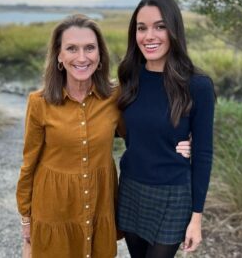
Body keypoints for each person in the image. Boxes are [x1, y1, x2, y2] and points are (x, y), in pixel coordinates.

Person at [16, 14, 191, 258]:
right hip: (54, 208)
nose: (82, 57)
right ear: (59, 56)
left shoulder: (114, 97)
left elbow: (141, 132)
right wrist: (26, 217)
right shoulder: (39, 103)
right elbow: (29, 163)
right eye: (71, 49)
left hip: (100, 204)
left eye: (89, 48)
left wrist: (182, 138)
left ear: (99, 55)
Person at [117, 0, 215, 258]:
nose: (149, 36)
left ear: (174, 30)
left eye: (160, 26)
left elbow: (204, 154)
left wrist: (197, 217)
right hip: (131, 188)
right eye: (142, 28)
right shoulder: (129, 77)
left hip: (172, 195)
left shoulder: (197, 86)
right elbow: (114, 127)